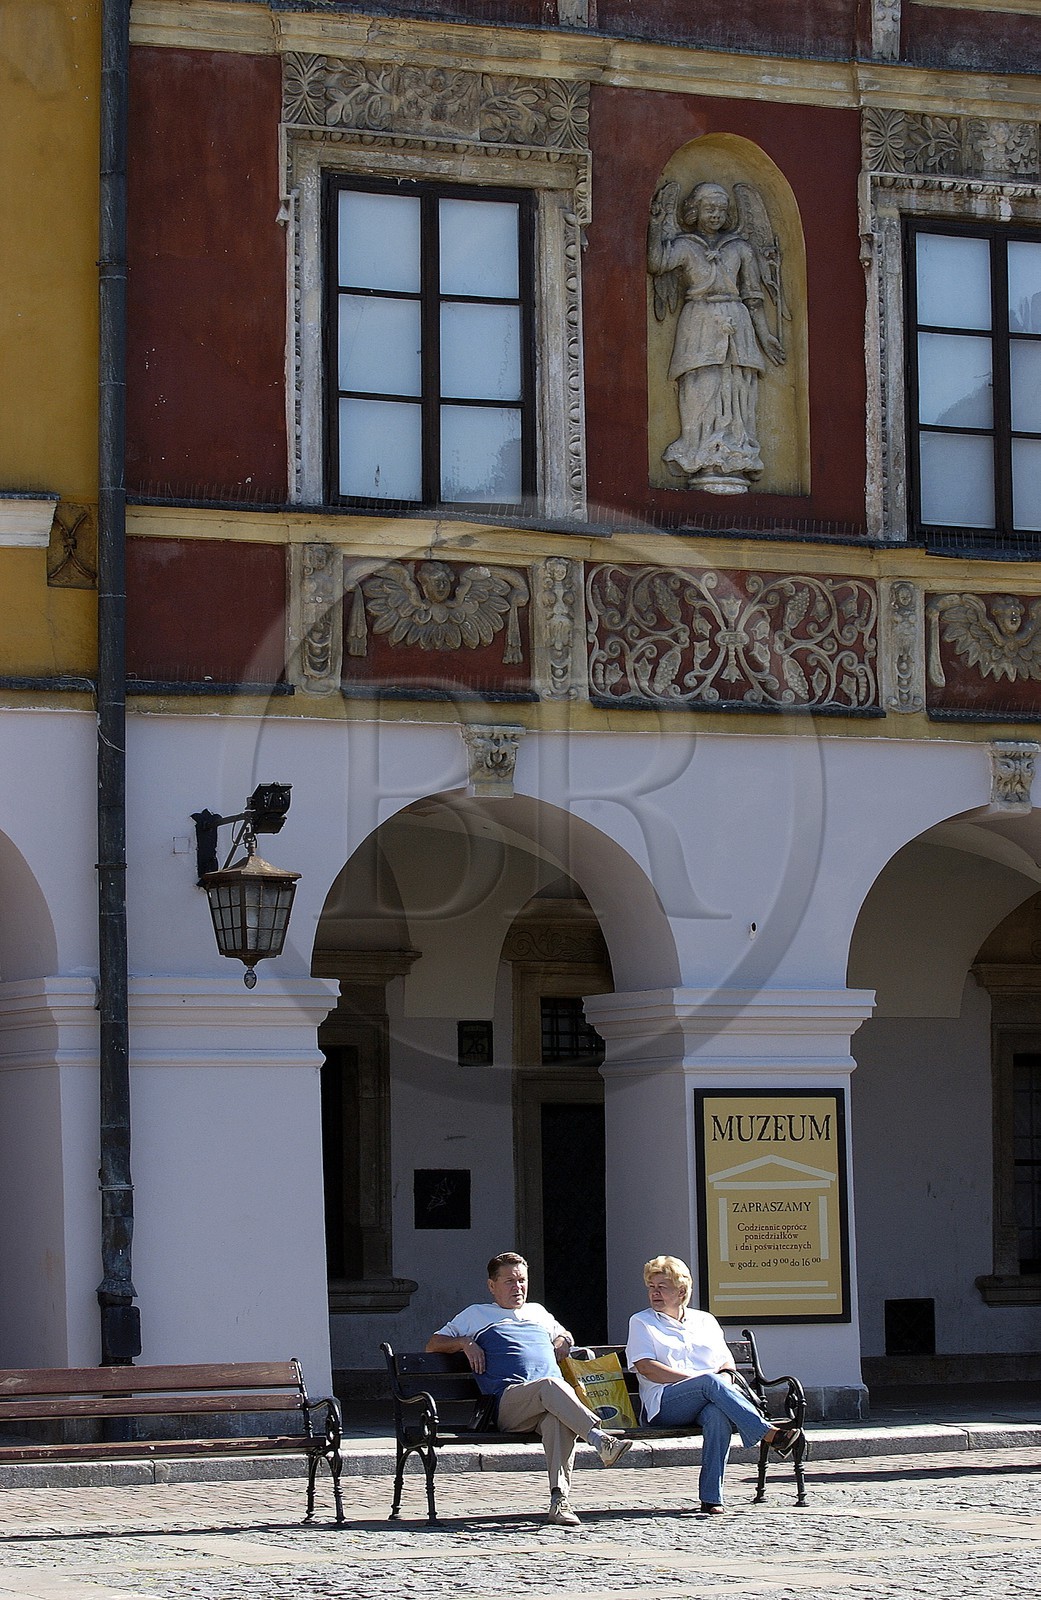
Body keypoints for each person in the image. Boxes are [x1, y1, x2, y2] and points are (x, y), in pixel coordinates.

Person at [427, 1250, 631, 1526]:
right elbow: (433, 1344)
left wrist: (563, 1341)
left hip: (547, 1403)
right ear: (492, 1286)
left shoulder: (538, 1312)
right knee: (549, 1385)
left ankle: (560, 1501)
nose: (518, 1287)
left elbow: (564, 1335)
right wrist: (465, 1342)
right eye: (510, 1281)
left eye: (522, 1280)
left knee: (556, 1422)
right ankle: (597, 1438)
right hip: (507, 1403)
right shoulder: (476, 1314)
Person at [626, 1254, 802, 1514]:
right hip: (664, 1403)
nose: (655, 1293)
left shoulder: (705, 1321)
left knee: (717, 1415)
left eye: (662, 1287)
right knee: (708, 1381)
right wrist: (699, 1382)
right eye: (651, 1287)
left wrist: (718, 1385)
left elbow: (727, 1367)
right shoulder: (642, 1322)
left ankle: (711, 1498)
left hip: (710, 1397)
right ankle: (768, 1433)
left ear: (681, 1290)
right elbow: (646, 1367)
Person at [648, 180, 786, 491]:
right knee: (700, 384)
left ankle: (735, 454)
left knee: (737, 387)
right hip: (698, 320)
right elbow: (656, 263)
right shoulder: (685, 246)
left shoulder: (740, 248)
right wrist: (656, 225)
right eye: (710, 209)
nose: (716, 216)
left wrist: (764, 335)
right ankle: (700, 452)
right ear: (694, 211)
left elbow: (753, 295)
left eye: (722, 210)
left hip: (736, 320)